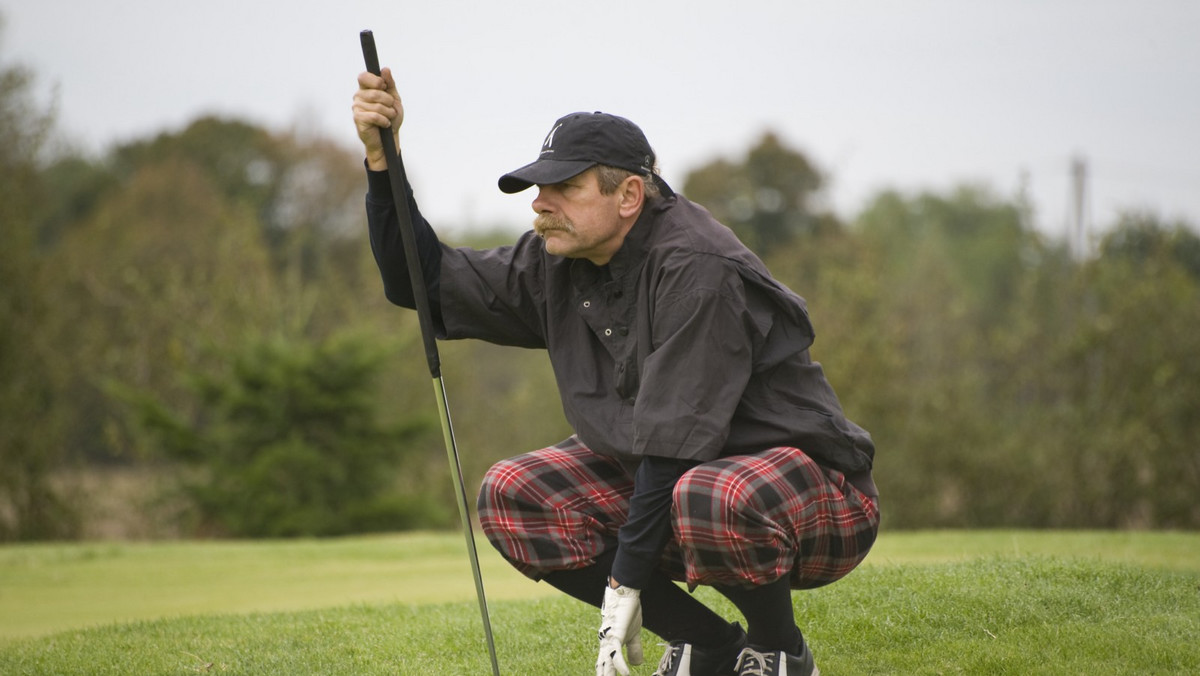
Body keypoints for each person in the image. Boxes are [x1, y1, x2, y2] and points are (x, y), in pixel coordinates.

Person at [352, 67, 879, 676]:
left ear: (629, 195)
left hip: (811, 498)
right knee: (515, 494)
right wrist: (381, 160)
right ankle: (711, 645)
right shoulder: (556, 259)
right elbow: (419, 281)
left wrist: (623, 589)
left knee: (711, 494)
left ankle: (778, 652)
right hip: (681, 489)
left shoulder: (697, 266)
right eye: (538, 188)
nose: (539, 204)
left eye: (564, 189)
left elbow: (673, 442)